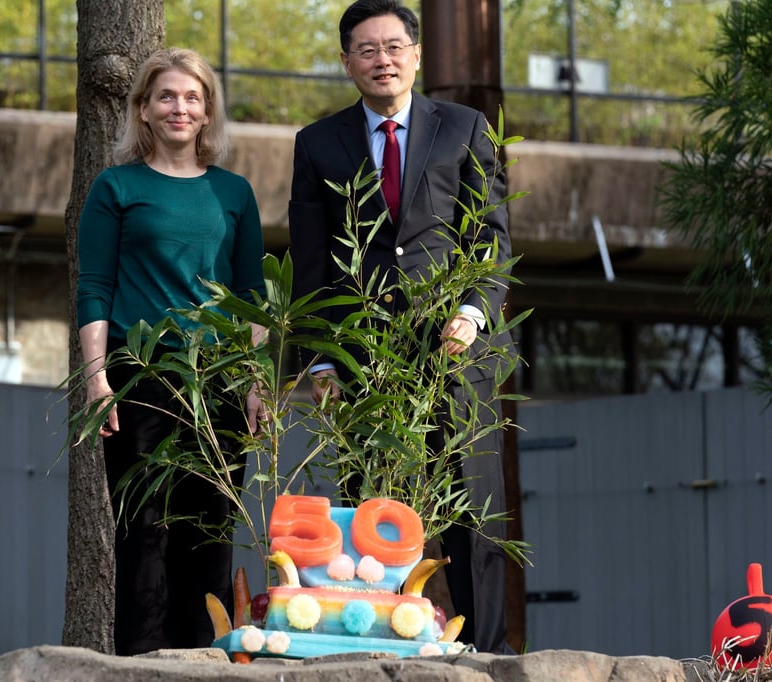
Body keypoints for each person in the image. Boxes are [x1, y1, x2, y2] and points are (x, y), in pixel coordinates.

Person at [288, 0, 514, 654]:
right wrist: (321, 362)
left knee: (471, 507)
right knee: (371, 511)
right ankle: (376, 647)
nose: (381, 60)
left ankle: (489, 655)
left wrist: (471, 312)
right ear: (346, 62)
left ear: (417, 54)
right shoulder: (316, 144)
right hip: (364, 362)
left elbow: (491, 240)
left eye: (393, 47)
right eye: (366, 49)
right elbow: (311, 262)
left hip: (454, 351)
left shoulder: (466, 128)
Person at [76, 47, 266, 655]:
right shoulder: (116, 187)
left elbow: (252, 296)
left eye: (192, 97)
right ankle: (141, 664)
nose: (179, 108)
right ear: (143, 109)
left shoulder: (233, 192)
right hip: (142, 379)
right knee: (144, 532)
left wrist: (255, 383)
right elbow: (94, 287)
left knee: (211, 532)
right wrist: (97, 379)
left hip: (218, 382)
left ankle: (205, 660)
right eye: (166, 96)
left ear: (207, 112)